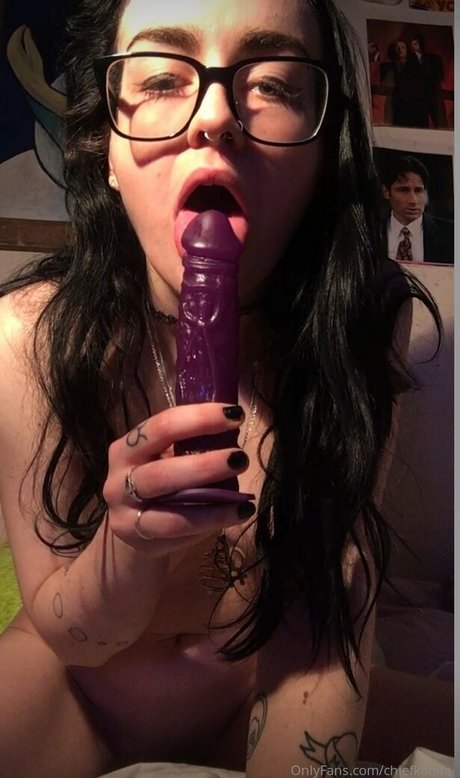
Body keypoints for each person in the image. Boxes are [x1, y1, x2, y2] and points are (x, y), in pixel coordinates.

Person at [0, 1, 452, 777]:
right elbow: (69, 633)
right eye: (160, 79)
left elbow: (331, 597)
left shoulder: (362, 323)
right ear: (108, 151)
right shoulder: (24, 336)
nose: (214, 117)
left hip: (260, 687)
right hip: (75, 694)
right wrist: (126, 549)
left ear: (321, 154)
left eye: (273, 83)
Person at [381, 154, 454, 264]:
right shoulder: (371, 233)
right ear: (386, 192)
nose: (413, 200)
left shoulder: (451, 233)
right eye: (404, 190)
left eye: (419, 190)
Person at [409, 34, 446, 129]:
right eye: (415, 44)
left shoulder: (435, 58)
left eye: (419, 43)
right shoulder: (410, 60)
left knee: (438, 123)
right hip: (418, 98)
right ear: (412, 45)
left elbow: (440, 76)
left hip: (432, 95)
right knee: (421, 125)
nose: (418, 46)